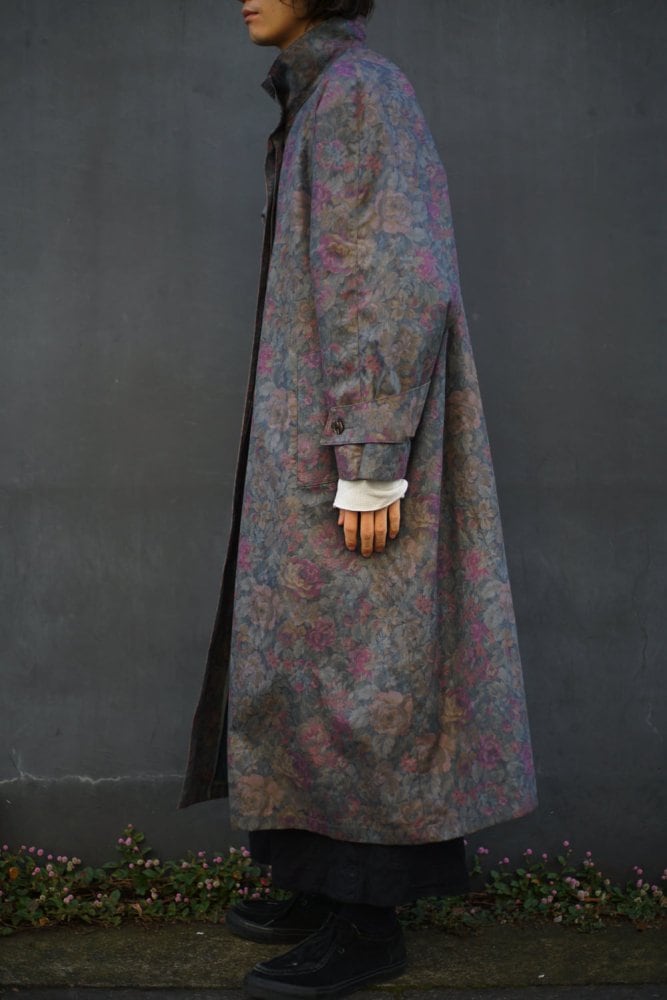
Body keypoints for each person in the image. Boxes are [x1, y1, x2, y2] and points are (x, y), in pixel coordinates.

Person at [180, 1, 538, 996]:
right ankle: (308, 877)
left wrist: (374, 454)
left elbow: (387, 273)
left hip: (355, 441)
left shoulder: (360, 94)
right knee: (309, 665)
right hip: (318, 433)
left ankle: (366, 922)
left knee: (365, 672)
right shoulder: (319, 92)